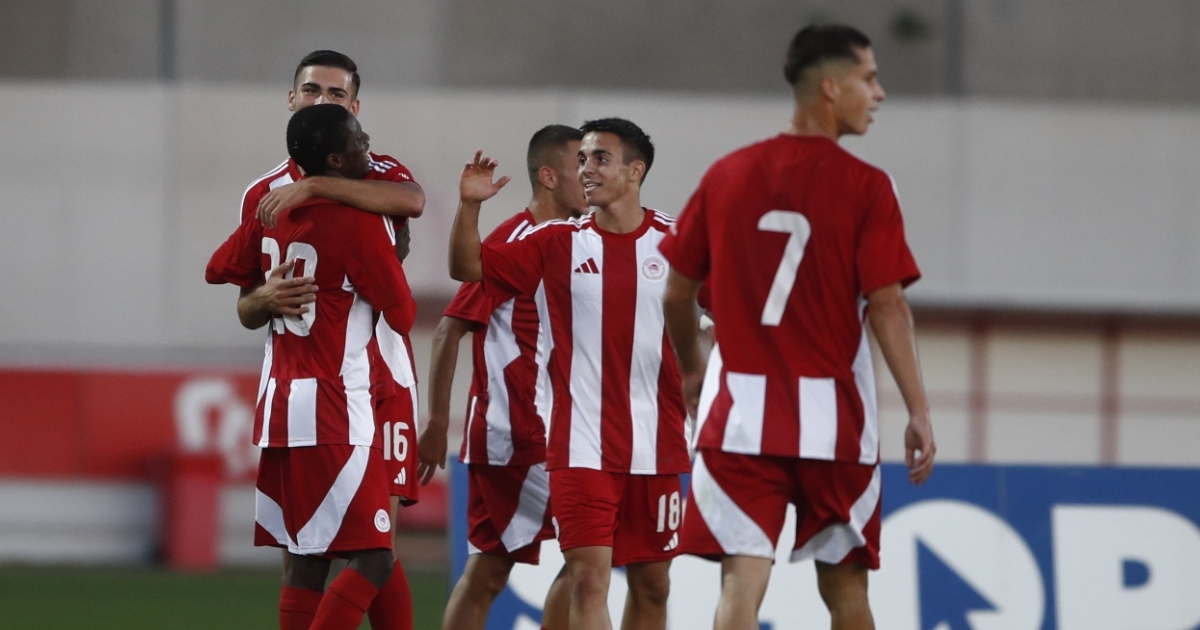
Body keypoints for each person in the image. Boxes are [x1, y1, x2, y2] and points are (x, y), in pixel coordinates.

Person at [658, 24, 936, 630]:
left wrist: (693, 370)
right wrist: (918, 409)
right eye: (869, 79)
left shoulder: (727, 174)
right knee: (846, 592)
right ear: (831, 87)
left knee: (740, 586)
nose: (879, 94)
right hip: (836, 425)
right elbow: (888, 306)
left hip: (739, 420)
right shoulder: (868, 186)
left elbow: (677, 293)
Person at [448, 118, 691, 630]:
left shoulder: (676, 241)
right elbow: (468, 267)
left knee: (654, 585)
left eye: (600, 158)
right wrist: (470, 206)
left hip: (658, 441)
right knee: (588, 580)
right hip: (579, 444)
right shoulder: (555, 241)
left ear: (635, 171)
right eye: (581, 159)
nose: (586, 169)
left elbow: (729, 308)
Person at [206, 104, 418, 630]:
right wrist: (391, 256)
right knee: (375, 556)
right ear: (335, 160)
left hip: (280, 405)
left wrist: (265, 288)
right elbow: (403, 315)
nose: (367, 144)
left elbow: (218, 268)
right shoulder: (359, 221)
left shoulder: (271, 206)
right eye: (358, 140)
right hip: (336, 406)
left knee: (307, 559)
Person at [417, 125, 585, 630]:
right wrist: (436, 422)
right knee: (591, 551)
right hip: (521, 431)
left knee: (489, 573)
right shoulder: (515, 241)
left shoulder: (579, 238)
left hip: (531, 431)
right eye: (581, 165)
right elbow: (448, 330)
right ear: (549, 176)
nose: (591, 176)